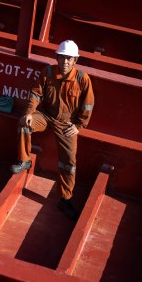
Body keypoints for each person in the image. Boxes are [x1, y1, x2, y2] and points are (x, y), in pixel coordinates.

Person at [10, 40, 94, 220]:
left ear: (75, 61)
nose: (65, 62)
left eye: (69, 59)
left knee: (69, 162)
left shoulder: (82, 79)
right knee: (24, 123)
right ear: (57, 58)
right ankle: (24, 160)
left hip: (67, 123)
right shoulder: (47, 73)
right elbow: (35, 94)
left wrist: (78, 126)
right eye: (62, 58)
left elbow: (88, 105)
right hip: (46, 116)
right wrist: (30, 113)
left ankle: (65, 199)